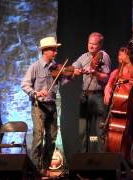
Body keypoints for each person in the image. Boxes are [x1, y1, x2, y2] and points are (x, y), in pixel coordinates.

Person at [21, 36, 67, 176]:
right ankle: (35, 169)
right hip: (39, 106)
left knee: (52, 138)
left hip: (51, 106)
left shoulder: (55, 67)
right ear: (45, 51)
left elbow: (63, 82)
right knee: (38, 137)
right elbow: (25, 85)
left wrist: (72, 75)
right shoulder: (35, 67)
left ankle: (45, 168)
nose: (56, 52)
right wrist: (36, 93)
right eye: (53, 50)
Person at [104, 47, 133, 177]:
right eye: (120, 55)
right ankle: (122, 165)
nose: (121, 57)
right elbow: (108, 85)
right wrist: (107, 92)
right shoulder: (115, 73)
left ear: (129, 57)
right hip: (120, 107)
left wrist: (129, 64)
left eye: (124, 55)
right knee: (120, 139)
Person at [72, 32, 111, 152]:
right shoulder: (84, 56)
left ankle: (102, 161)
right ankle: (84, 160)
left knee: (100, 130)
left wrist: (96, 73)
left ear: (100, 45)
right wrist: (74, 71)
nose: (91, 46)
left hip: (98, 95)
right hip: (85, 95)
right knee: (82, 131)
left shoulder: (104, 56)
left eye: (94, 44)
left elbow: (107, 77)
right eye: (89, 43)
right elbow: (73, 68)